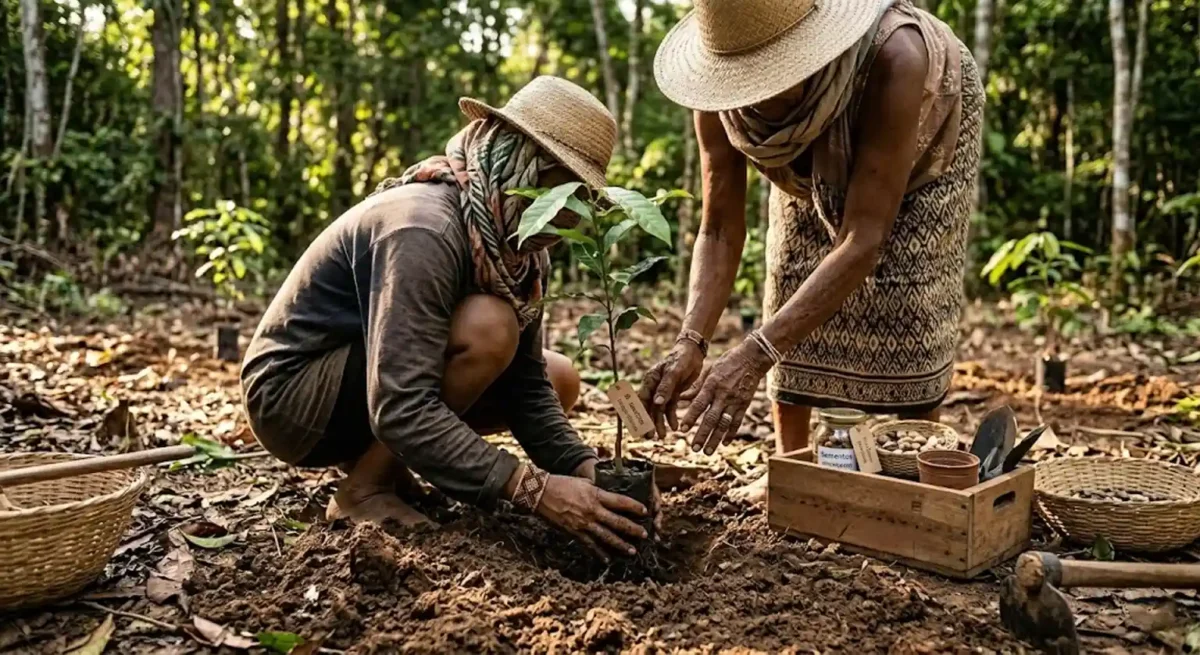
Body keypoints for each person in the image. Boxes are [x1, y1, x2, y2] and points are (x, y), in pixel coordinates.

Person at [242, 76, 650, 559]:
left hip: (375, 386)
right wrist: (532, 490)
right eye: (566, 192)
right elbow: (401, 404)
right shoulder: (424, 227)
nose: (572, 214)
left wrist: (583, 468)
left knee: (557, 375)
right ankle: (364, 491)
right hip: (293, 400)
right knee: (490, 327)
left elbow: (527, 388)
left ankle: (388, 466)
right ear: (525, 167)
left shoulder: (520, 249)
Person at [642, 0, 982, 503]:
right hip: (804, 163)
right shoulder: (717, 91)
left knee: (905, 294)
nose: (753, 97)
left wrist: (754, 355)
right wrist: (690, 341)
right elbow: (718, 229)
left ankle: (912, 470)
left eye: (768, 78)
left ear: (809, 55)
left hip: (924, 132)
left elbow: (864, 238)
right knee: (791, 275)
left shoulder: (897, 57)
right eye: (740, 84)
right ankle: (791, 470)